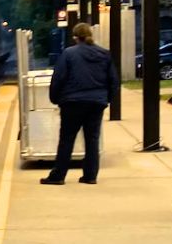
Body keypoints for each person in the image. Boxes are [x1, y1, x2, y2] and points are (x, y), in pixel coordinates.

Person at [40, 22, 117, 185]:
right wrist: (106, 99)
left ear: (75, 37)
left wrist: (55, 98)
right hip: (96, 103)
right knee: (92, 139)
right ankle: (90, 176)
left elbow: (58, 78)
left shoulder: (69, 53)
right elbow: (113, 81)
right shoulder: (104, 54)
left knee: (67, 139)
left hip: (72, 103)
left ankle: (58, 176)